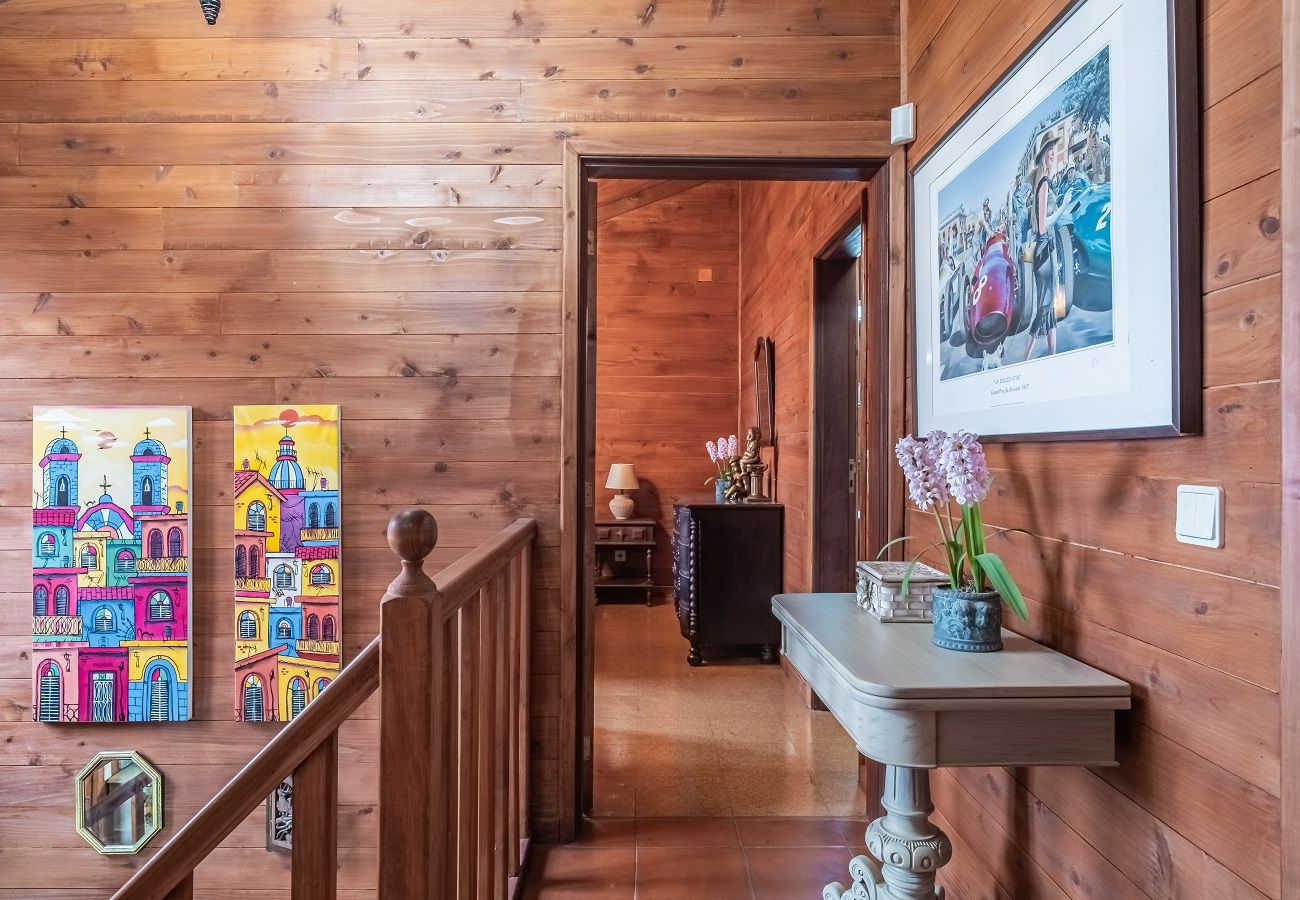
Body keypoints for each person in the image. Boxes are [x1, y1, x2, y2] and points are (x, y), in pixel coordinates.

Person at [1025, 133, 1063, 361]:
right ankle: (1025, 360)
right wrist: (1063, 207)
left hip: (1045, 250)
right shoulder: (1044, 184)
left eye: (1053, 148)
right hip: (1045, 250)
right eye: (1049, 149)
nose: (1053, 153)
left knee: (1050, 309)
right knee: (1045, 307)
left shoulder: (1043, 182)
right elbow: (1042, 226)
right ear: (1042, 156)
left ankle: (1052, 358)